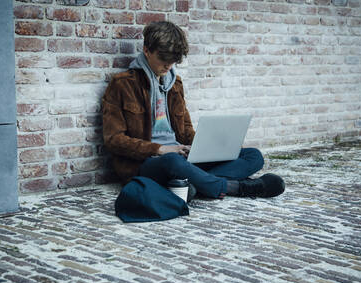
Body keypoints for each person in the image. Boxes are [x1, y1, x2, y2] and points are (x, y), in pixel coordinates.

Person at [102, 21, 284, 201]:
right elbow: (114, 140)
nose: (168, 66)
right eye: (163, 60)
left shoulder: (175, 84)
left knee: (253, 155)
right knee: (172, 161)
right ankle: (235, 187)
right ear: (147, 50)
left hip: (181, 159)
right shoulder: (123, 84)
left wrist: (214, 148)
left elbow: (186, 132)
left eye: (173, 61)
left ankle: (192, 184)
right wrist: (160, 149)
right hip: (147, 163)